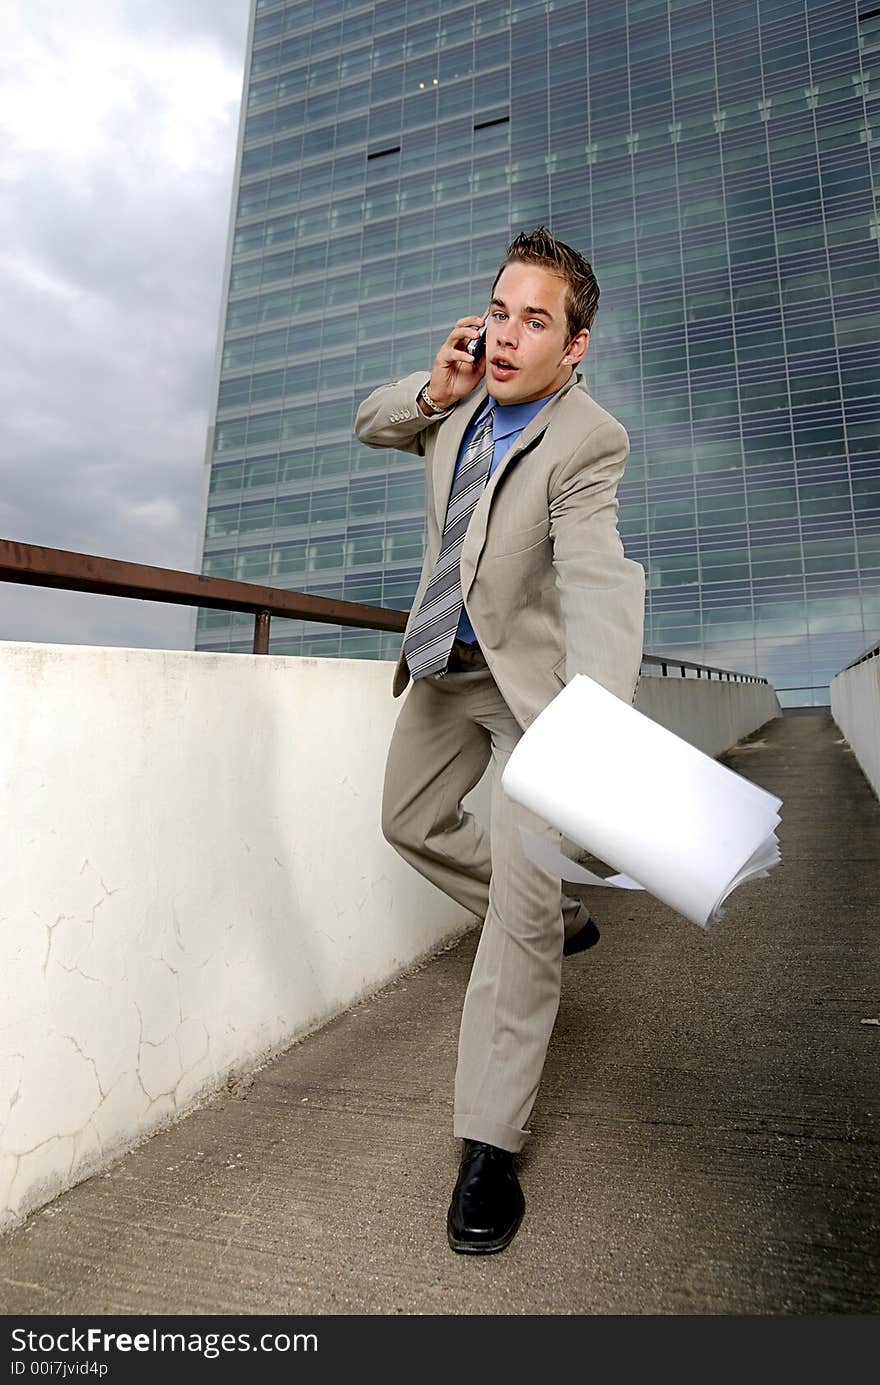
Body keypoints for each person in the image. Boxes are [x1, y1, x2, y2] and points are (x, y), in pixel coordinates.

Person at [355, 227, 645, 1254]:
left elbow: (603, 578)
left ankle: (487, 1142)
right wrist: (434, 389)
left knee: (514, 909)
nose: (511, 335)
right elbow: (370, 423)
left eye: (538, 320)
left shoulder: (587, 439)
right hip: (447, 666)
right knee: (407, 820)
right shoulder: (464, 390)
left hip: (533, 689)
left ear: (576, 346)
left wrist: (594, 720)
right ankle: (555, 911)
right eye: (501, 310)